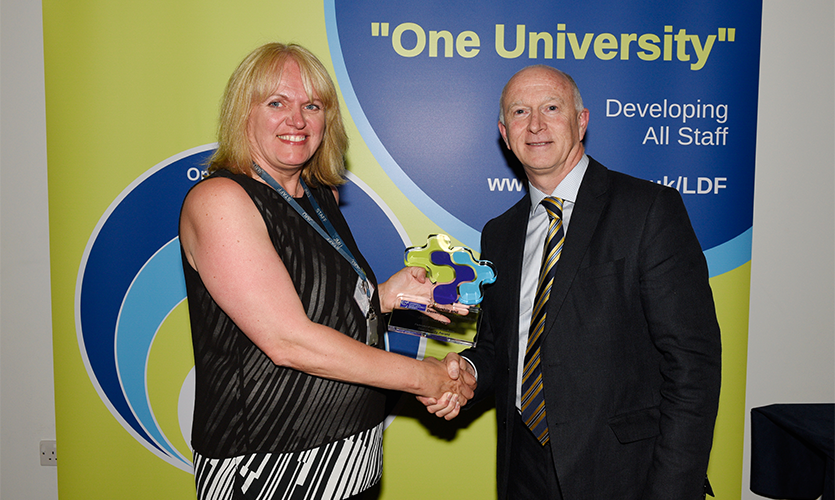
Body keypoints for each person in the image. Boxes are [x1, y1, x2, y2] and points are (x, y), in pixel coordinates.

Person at [179, 42, 472, 500]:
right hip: (266, 468)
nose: (296, 120)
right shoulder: (220, 201)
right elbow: (288, 339)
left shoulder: (320, 199)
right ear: (243, 113)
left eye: (311, 105)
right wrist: (423, 377)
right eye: (276, 102)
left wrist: (385, 295)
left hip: (352, 457)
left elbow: (312, 305)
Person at [424, 65, 721, 499]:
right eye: (521, 112)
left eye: (551, 108)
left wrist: (673, 490)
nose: (537, 125)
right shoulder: (499, 233)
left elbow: (693, 364)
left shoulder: (648, 210)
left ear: (581, 120)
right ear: (505, 134)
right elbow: (500, 345)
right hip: (522, 469)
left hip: (626, 476)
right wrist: (466, 369)